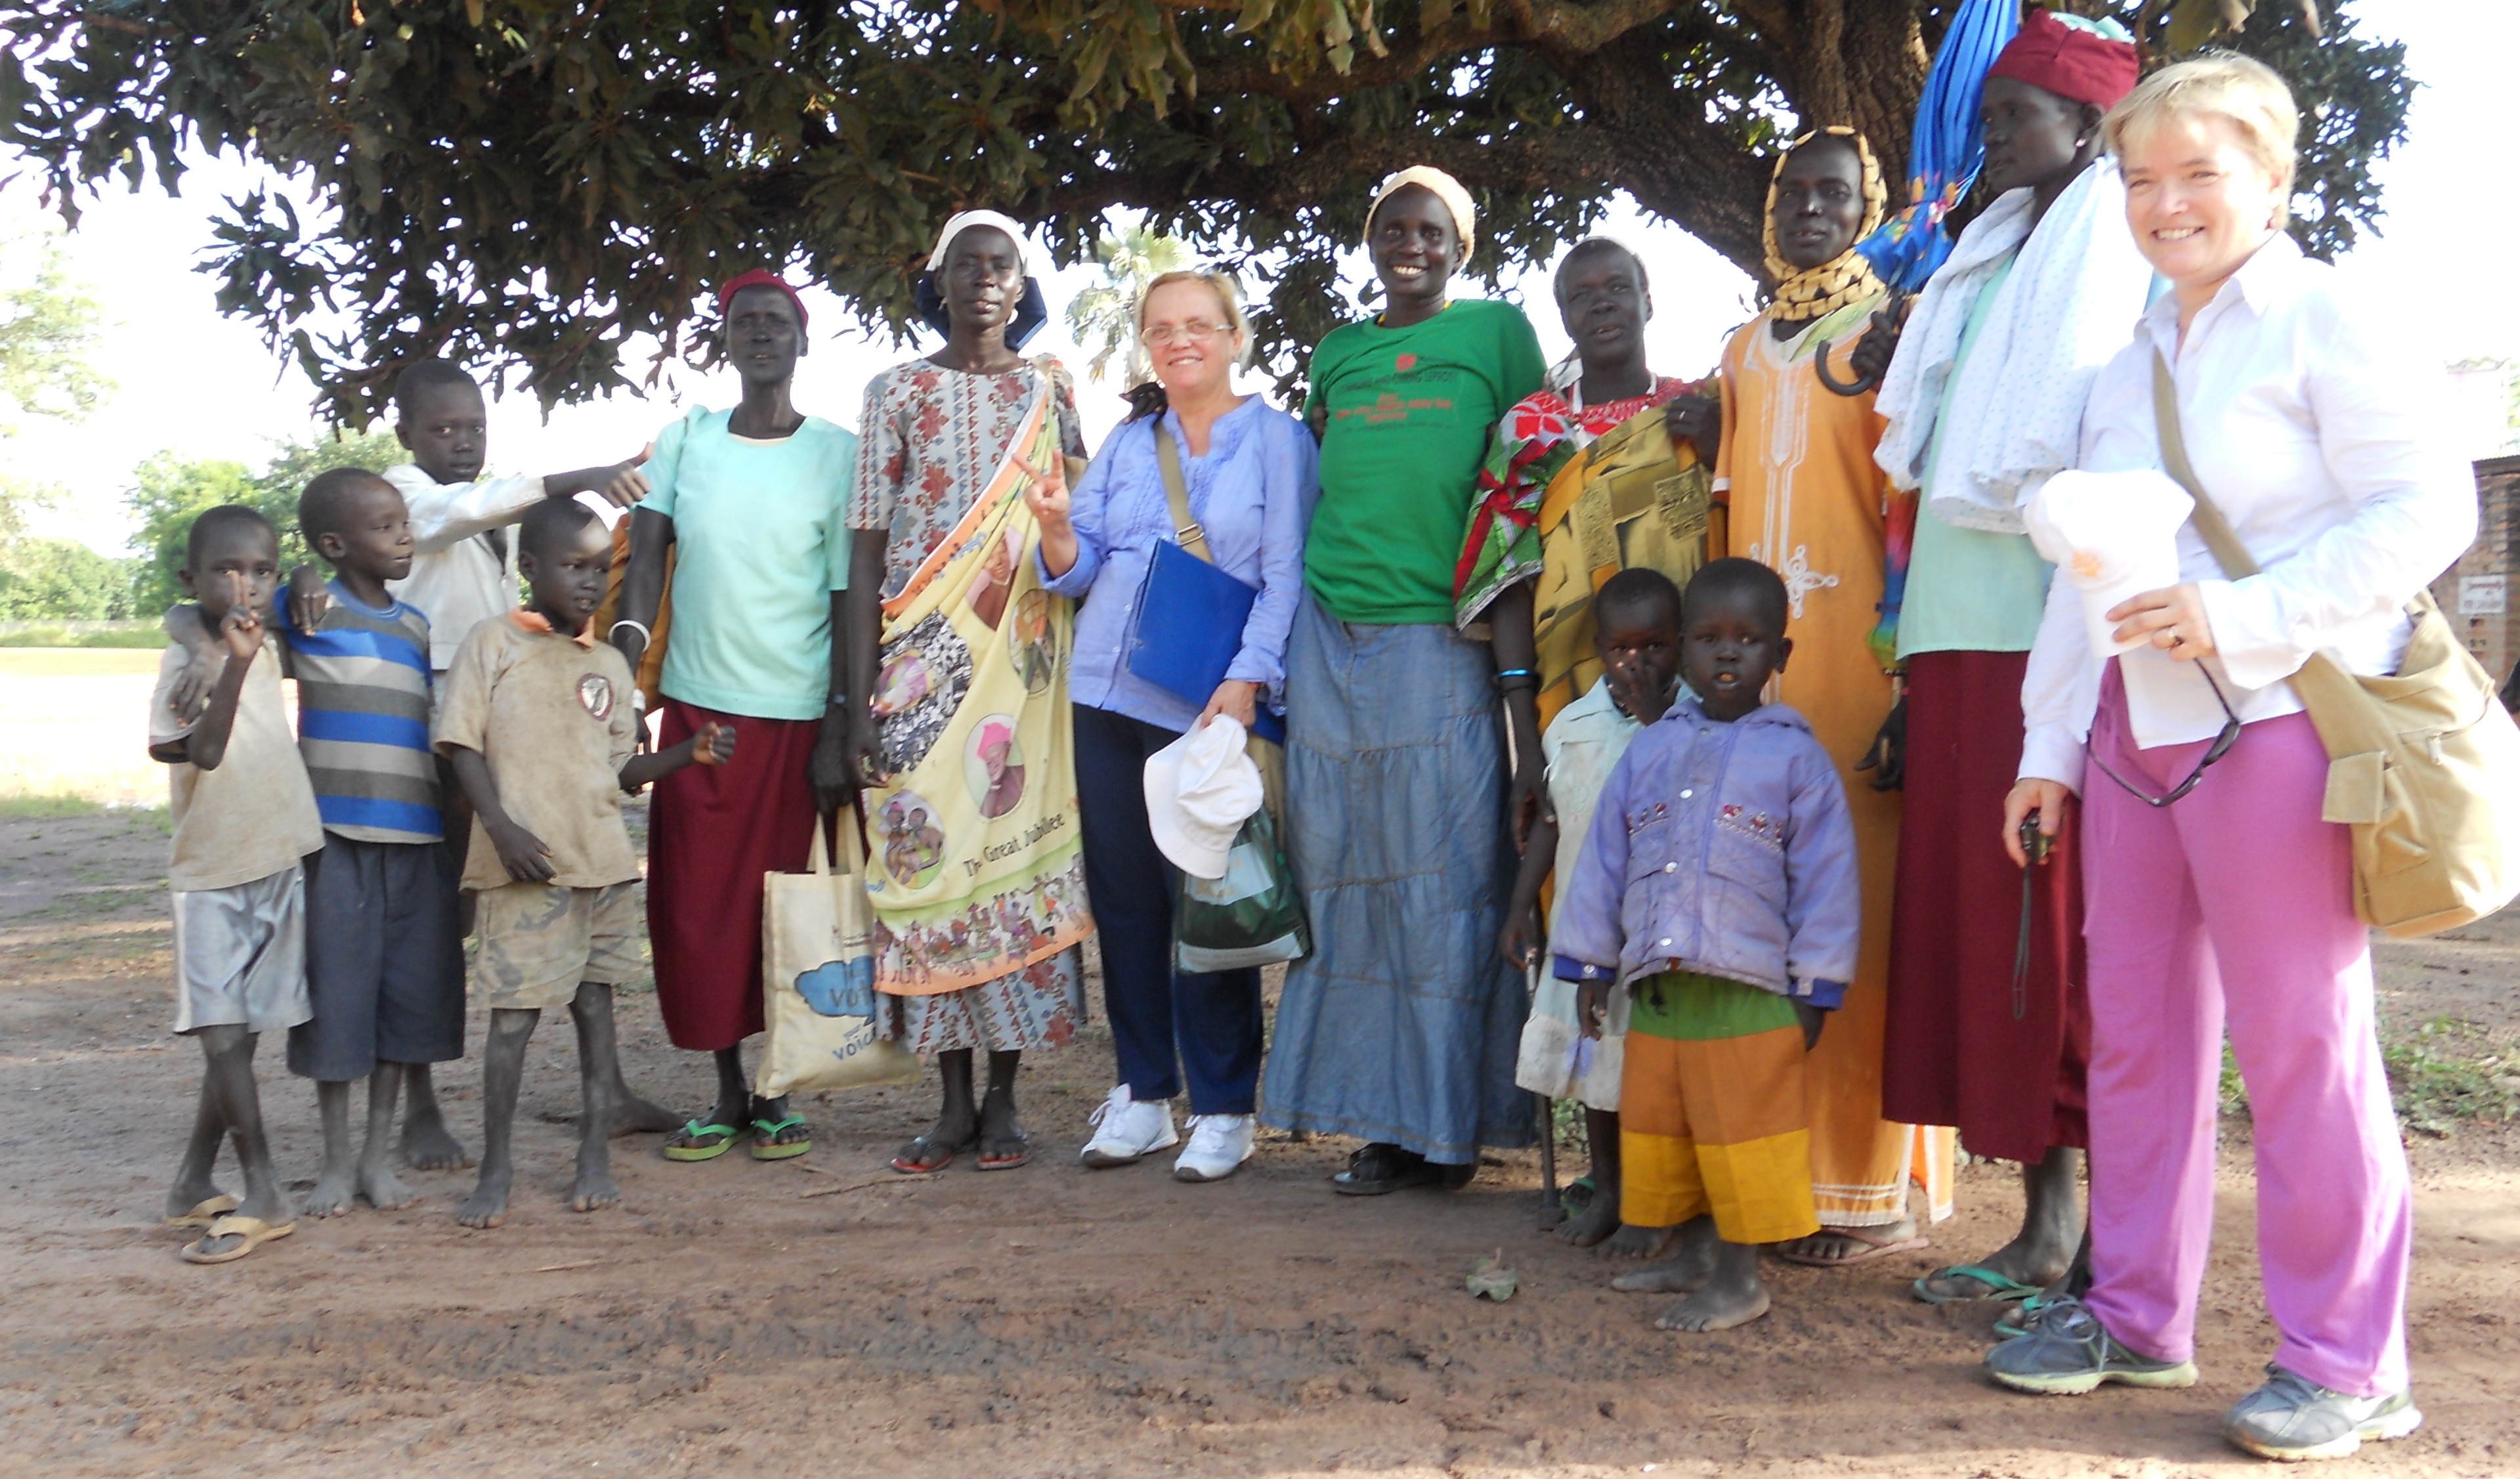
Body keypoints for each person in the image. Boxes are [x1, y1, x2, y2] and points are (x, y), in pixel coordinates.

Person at [1986, 56, 2474, 1464]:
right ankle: (2135, 1314)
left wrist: (2237, 613)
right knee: (2134, 1041)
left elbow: (2421, 510)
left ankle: (2344, 1362)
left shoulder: (2325, 317)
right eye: (2139, 179)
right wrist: (2045, 750)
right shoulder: (2122, 364)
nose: (2163, 203)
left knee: (2301, 1048)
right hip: (2131, 743)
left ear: (2270, 178)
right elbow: (2083, 572)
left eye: (2197, 171)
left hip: (2277, 730)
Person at [1862, 8, 2149, 1308]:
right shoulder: (1985, 253)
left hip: (2040, 630)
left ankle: (2098, 1240)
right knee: (1982, 928)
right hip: (1948, 626)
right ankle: (2037, 1223)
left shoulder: (2111, 248)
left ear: (2085, 129)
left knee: (2052, 923)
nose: (1989, 142)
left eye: (2011, 119)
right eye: (1983, 123)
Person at [1262, 165, 1548, 1193]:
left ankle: (1447, 1130)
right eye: (1392, 227)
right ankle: (1375, 1125)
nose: (1410, 243)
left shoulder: (1495, 337)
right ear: (1371, 238)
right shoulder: (1337, 353)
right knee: (1341, 883)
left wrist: (1520, 671)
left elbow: (1529, 479)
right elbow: (1306, 480)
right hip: (1329, 630)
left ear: (1459, 248)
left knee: (1445, 885)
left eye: (1430, 230)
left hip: (1440, 635)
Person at [1707, 127, 1953, 1264]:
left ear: (1865, 208)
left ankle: (1861, 1181)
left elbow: (1910, 520)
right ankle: (1763, 1169)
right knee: (1756, 913)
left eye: (1833, 194)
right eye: (1791, 191)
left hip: (1857, 672)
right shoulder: (1739, 351)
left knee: (1857, 914)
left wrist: (1908, 673)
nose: (1809, 209)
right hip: (1751, 684)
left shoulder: (1889, 336)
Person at [1458, 235, 1719, 1247]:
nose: (1600, 305)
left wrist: (1720, 434)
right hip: (1578, 704)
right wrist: (1525, 729)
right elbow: (1506, 578)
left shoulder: (1697, 409)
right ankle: (1612, 1180)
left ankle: (1683, 1183)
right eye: (1579, 294)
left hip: (1696, 713)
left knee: (1686, 938)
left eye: (1617, 287)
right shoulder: (1529, 429)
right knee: (1592, 941)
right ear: (1558, 313)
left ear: (1649, 296)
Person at [1025, 268, 1313, 1183]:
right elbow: (1081, 568)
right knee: (1127, 906)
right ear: (1146, 343)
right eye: (1161, 327)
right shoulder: (1128, 439)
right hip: (1104, 697)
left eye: (1198, 324)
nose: (1179, 340)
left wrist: (1244, 679)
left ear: (1233, 336)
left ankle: (1224, 1106)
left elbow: (1286, 575)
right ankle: (1144, 1093)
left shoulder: (1276, 442)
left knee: (1209, 905)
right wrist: (1059, 532)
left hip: (1203, 709)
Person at [843, 211, 1092, 1175]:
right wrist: (860, 693)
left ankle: (1005, 1101)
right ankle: (948, 1102)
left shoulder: (1051, 387)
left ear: (1022, 286)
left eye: (1002, 266)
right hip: (915, 665)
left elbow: (1081, 513)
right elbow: (865, 546)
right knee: (926, 867)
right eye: (966, 265)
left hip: (1023, 668)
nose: (985, 279)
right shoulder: (893, 390)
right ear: (937, 278)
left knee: (1014, 867)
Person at [1550, 559, 1861, 1332]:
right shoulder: (1651, 750)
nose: (1728, 655)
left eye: (1750, 641)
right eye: (1710, 639)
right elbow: (1603, 860)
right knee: (1668, 1124)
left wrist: (1815, 983)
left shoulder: (1795, 759)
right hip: (1661, 986)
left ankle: (1737, 1276)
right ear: (1683, 648)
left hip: (1749, 994)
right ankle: (1688, 1252)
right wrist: (1591, 963)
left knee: (1741, 1136)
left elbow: (1827, 877)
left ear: (1779, 658)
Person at [608, 269, 859, 1163]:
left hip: (793, 716)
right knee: (701, 912)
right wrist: (625, 667)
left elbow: (844, 598)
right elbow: (644, 564)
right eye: (744, 323)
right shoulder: (686, 442)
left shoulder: (837, 452)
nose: (760, 335)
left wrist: (837, 725)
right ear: (724, 342)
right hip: (699, 717)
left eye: (776, 323)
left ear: (801, 340)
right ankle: (723, 1089)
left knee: (784, 911)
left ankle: (778, 1087)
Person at [437, 498, 737, 1228]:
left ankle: (593, 1157)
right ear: (530, 568)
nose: (588, 582)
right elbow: (460, 744)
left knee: (596, 1011)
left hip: (599, 869)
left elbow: (622, 772)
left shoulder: (605, 663)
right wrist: (500, 826)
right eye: (573, 566)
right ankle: (496, 1167)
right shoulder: (492, 645)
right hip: (525, 870)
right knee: (512, 1023)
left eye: (599, 570)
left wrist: (685, 755)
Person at [281, 468, 467, 1217]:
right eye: (384, 525)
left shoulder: (416, 626)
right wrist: (296, 576)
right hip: (335, 843)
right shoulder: (309, 612)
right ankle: (331, 1160)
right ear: (334, 545)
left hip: (415, 841)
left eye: (403, 523)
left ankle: (374, 1158)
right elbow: (199, 611)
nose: (403, 535)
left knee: (401, 1005)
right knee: (338, 1002)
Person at [148, 506, 326, 1265]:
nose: (244, 585)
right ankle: (264, 1190)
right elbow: (207, 753)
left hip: (278, 856)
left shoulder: (261, 628)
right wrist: (221, 660)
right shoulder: (183, 667)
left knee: (239, 1039)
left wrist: (307, 576)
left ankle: (193, 1180)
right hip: (211, 873)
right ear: (193, 579)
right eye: (225, 570)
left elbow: (304, 586)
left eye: (259, 571)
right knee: (222, 1039)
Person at [1496, 567, 1683, 1248]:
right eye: (1619, 650)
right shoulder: (1571, 723)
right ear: (1598, 647)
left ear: (1680, 644)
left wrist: (1658, 721)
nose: (1635, 664)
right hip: (1586, 930)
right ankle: (1608, 1190)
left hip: (1657, 940)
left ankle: (1653, 1203)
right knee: (1598, 1070)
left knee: (1651, 1077)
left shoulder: (1692, 723)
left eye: (1654, 649)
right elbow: (1548, 820)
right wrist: (1521, 907)